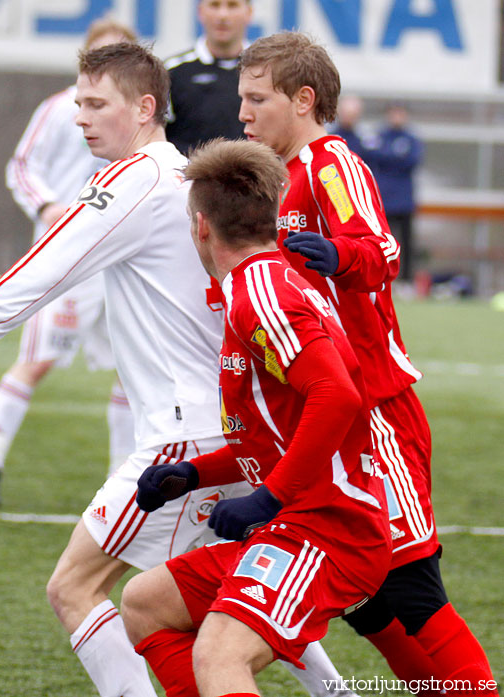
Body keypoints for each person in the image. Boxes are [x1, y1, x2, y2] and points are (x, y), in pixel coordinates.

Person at [0, 41, 363, 697]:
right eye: (78, 103)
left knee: (73, 587)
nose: (81, 117)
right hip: (222, 432)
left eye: (97, 103)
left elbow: (57, 253)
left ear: (145, 107)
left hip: (183, 432)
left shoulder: (138, 177)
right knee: (222, 593)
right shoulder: (182, 178)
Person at [237, 31, 495, 692]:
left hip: (375, 411)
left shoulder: (330, 162)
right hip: (327, 414)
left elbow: (379, 250)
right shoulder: (281, 176)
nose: (244, 113)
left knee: (411, 590)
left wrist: (338, 256)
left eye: (256, 99)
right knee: (365, 600)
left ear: (303, 99)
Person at [120, 137, 392, 697]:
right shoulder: (256, 285)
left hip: (328, 528)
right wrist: (195, 475)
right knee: (145, 602)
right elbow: (278, 432)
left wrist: (267, 498)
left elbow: (336, 398)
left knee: (219, 655)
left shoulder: (261, 293)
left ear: (200, 227)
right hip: (301, 520)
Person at [0, 19, 137, 506]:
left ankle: (118, 483)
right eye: (101, 56)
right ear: (84, 62)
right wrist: (46, 206)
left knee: (131, 370)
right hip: (65, 262)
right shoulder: (59, 109)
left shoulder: (144, 118)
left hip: (122, 261)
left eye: (121, 56)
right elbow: (21, 165)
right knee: (36, 361)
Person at [164, 0, 252, 154]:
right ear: (200, 12)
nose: (222, 15)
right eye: (214, 5)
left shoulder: (265, 71)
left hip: (254, 176)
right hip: (189, 176)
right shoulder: (172, 71)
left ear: (249, 13)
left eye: (232, 5)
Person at [368, 103, 424, 283]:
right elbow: (371, 157)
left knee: (406, 243)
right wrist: (394, 158)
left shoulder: (411, 139)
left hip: (404, 201)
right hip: (382, 200)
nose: (397, 117)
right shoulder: (377, 136)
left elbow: (411, 161)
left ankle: (406, 281)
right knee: (380, 242)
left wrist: (387, 159)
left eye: (400, 113)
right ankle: (381, 279)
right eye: (393, 113)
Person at [331, 94, 372, 161]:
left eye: (352, 114)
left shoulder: (364, 139)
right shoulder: (329, 137)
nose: (348, 118)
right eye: (346, 113)